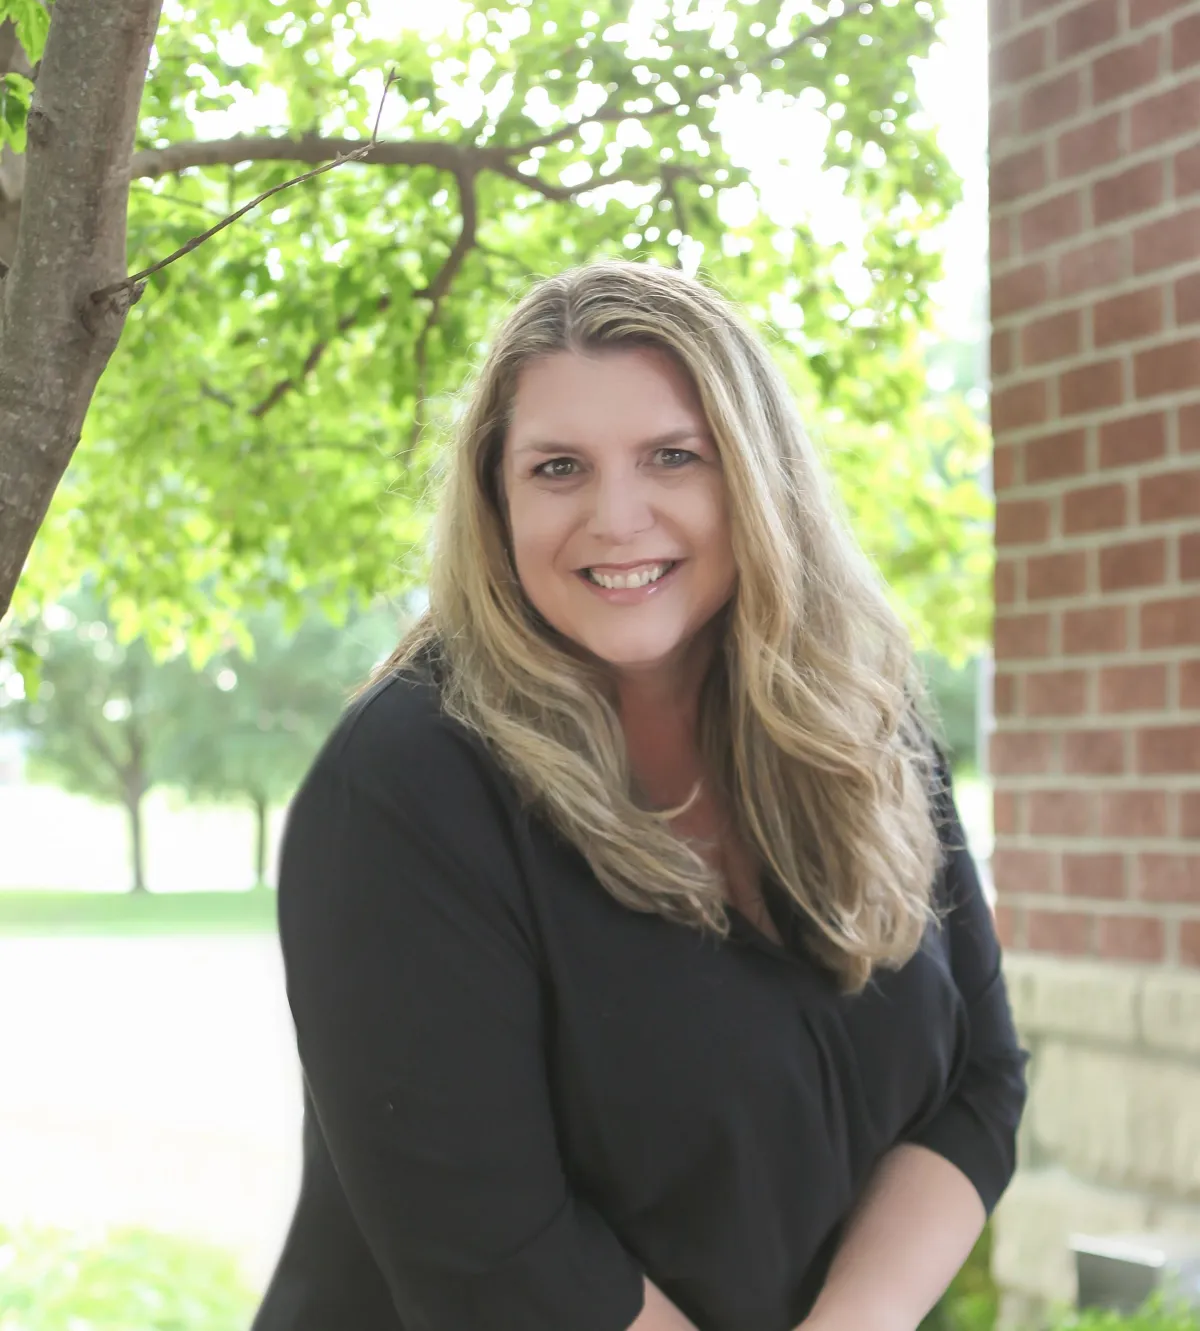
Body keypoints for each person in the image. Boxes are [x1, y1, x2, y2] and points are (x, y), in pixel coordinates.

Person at [251, 259, 1028, 1331]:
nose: (617, 517)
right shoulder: (404, 783)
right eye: (558, 466)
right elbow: (492, 1252)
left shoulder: (864, 715)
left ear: (758, 476)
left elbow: (980, 1082)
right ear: (495, 499)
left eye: (673, 455)